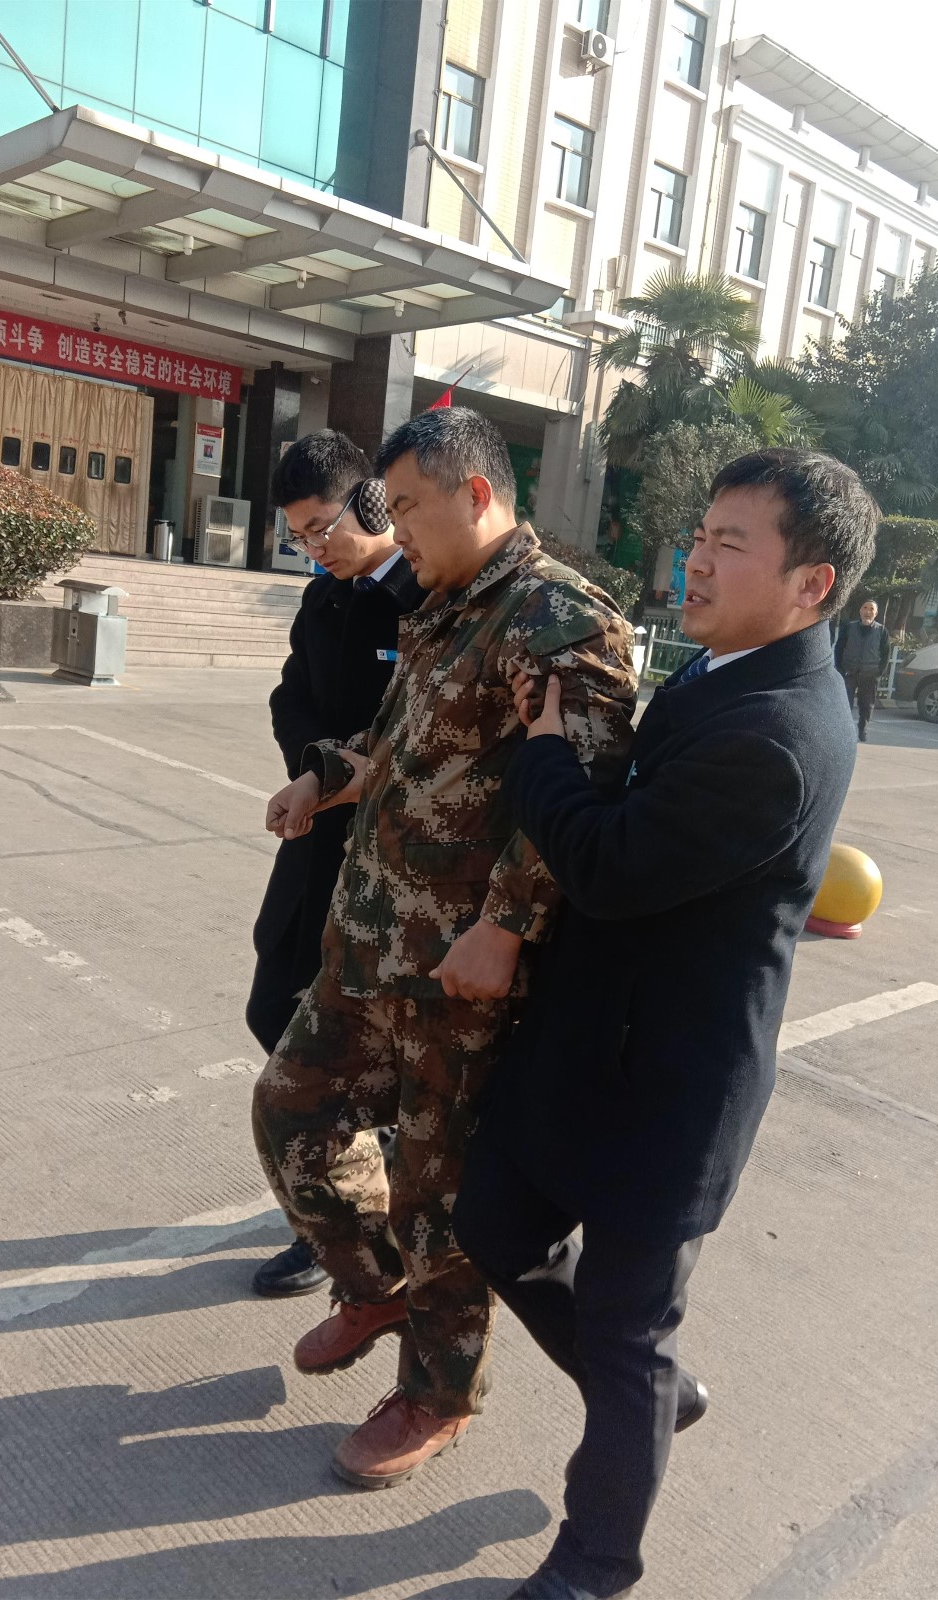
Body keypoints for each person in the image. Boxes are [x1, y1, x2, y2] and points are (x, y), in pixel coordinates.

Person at [453, 449, 878, 1600]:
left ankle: (595, 1562)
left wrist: (543, 756)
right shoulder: (718, 669)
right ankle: (649, 1394)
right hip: (589, 1047)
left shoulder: (775, 733)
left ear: (810, 584)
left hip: (671, 1090)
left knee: (626, 1327)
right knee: (493, 1222)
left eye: (730, 543)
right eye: (700, 533)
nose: (695, 557)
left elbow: (606, 864)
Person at [252, 407, 638, 1489]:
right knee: (290, 1110)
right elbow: (392, 744)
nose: (396, 528)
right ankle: (374, 1288)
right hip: (368, 943)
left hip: (456, 977)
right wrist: (320, 777)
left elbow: (579, 800)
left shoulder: (558, 620)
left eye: (409, 507)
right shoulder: (442, 607)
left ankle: (438, 1390)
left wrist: (504, 928)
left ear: (475, 494)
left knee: (436, 1193)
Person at [247, 430, 423, 1299]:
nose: (314, 548)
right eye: (298, 537)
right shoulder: (322, 601)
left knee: (341, 1048)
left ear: (373, 501)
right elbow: (291, 696)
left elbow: (417, 730)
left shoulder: (422, 600)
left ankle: (337, 1225)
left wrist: (333, 775)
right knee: (271, 1003)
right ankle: (347, 1178)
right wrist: (311, 773)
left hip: (389, 857)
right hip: (316, 839)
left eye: (322, 528)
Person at [835, 597, 891, 741]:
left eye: (871, 609)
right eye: (865, 608)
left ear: (876, 613)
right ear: (860, 611)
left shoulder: (881, 631)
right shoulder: (849, 627)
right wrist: (840, 668)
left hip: (869, 674)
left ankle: (862, 729)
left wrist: (879, 672)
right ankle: (844, 731)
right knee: (845, 703)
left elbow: (886, 654)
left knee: (866, 705)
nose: (868, 611)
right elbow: (839, 647)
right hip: (849, 672)